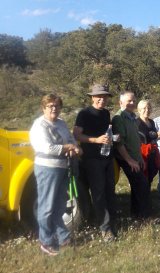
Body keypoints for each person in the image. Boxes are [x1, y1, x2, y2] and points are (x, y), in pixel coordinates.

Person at [30, 94, 82, 256]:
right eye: (50, 106)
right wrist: (68, 147)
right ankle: (46, 241)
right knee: (46, 207)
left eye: (57, 106)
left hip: (62, 167)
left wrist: (75, 147)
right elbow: (46, 147)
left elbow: (70, 138)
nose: (54, 109)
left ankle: (63, 237)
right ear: (43, 108)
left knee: (60, 205)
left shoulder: (61, 123)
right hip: (47, 168)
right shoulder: (39, 125)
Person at [73, 84, 117, 242]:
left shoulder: (106, 113)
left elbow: (106, 132)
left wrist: (110, 139)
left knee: (109, 190)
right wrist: (95, 140)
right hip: (92, 159)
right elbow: (76, 135)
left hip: (107, 157)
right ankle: (105, 229)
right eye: (99, 96)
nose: (102, 99)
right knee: (98, 193)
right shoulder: (84, 114)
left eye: (104, 96)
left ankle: (112, 221)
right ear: (92, 97)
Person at [112, 91, 151, 218]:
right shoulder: (119, 118)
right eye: (129, 101)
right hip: (126, 158)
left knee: (137, 186)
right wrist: (130, 161)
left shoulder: (132, 117)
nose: (132, 103)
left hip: (135, 157)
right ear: (121, 102)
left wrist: (140, 158)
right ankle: (144, 216)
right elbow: (119, 143)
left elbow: (135, 141)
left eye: (134, 100)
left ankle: (136, 214)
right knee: (142, 185)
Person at [137, 100, 160, 188]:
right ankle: (140, 200)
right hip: (142, 155)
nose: (147, 110)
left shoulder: (152, 122)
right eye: (144, 108)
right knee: (142, 179)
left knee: (150, 177)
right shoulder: (136, 123)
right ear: (139, 110)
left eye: (149, 108)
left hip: (152, 154)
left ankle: (147, 197)